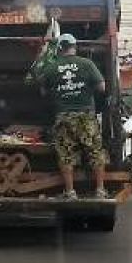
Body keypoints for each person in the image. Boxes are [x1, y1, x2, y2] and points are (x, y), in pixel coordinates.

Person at [38, 33, 108, 199]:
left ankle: (70, 192)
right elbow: (102, 87)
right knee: (95, 152)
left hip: (64, 117)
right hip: (86, 116)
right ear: (74, 47)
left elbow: (42, 91)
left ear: (60, 48)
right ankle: (100, 190)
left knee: (66, 155)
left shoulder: (52, 67)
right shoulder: (87, 64)